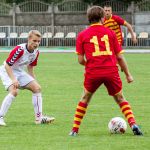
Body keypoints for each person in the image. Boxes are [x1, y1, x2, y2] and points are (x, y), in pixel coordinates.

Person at [69, 6, 143, 136]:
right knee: (120, 98)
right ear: (103, 18)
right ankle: (133, 124)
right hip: (111, 71)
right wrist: (128, 75)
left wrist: (90, 64)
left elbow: (80, 60)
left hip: (93, 72)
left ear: (89, 18)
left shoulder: (82, 35)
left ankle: (74, 130)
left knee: (85, 98)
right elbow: (119, 57)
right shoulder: (110, 33)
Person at [0, 30, 55, 126]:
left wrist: (34, 81)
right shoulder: (19, 49)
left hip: (19, 71)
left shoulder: (36, 52)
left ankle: (39, 119)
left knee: (37, 88)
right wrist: (13, 79)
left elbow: (30, 67)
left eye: (38, 41)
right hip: (7, 70)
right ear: (29, 39)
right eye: (34, 40)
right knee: (14, 91)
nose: (36, 43)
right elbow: (8, 65)